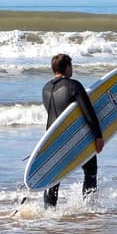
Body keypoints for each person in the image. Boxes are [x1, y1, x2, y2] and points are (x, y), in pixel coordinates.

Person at [41, 53, 104, 207]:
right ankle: (89, 208)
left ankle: (48, 212)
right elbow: (88, 112)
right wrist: (98, 136)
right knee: (90, 171)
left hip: (51, 138)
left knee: (54, 179)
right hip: (75, 138)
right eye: (71, 66)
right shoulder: (73, 86)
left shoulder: (46, 88)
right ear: (67, 67)